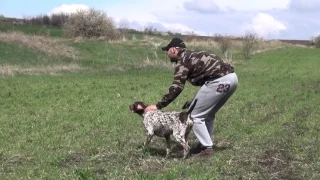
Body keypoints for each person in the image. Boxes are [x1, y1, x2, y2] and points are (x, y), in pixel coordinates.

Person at [145, 37, 238, 157]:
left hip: (218, 81)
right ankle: (204, 145)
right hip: (232, 79)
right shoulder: (192, 55)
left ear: (173, 50)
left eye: (167, 51)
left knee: (194, 116)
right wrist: (195, 100)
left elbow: (177, 87)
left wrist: (158, 105)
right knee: (208, 114)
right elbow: (208, 79)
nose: (167, 54)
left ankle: (206, 149)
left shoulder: (182, 61)